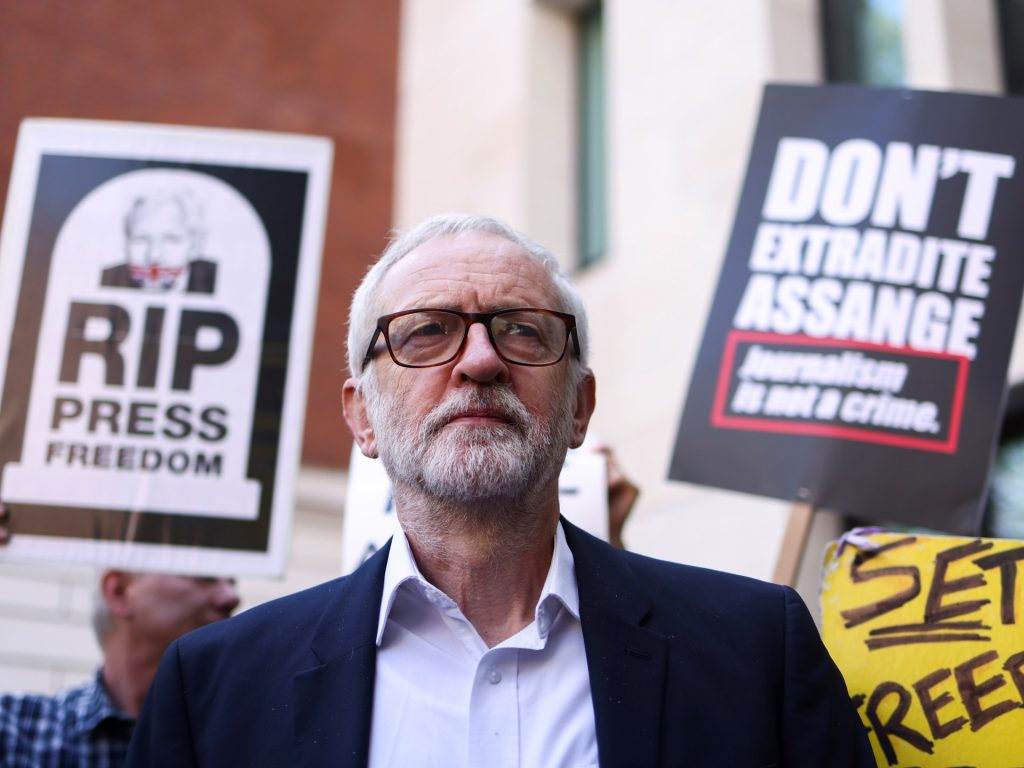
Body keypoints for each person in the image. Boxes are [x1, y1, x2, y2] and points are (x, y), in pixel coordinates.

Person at [126, 214, 874, 767]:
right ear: (362, 417)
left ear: (579, 408)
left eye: (522, 331)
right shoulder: (213, 689)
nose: (481, 361)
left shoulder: (756, 653)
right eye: (426, 331)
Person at [0, 504, 239, 767]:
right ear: (119, 591)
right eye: (203, 574)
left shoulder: (249, 736)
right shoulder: (20, 731)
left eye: (231, 581)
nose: (231, 596)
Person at [100, 192, 217, 293]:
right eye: (141, 239)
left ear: (195, 245)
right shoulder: (107, 280)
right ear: (125, 243)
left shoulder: (217, 279)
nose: (154, 256)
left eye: (171, 239)